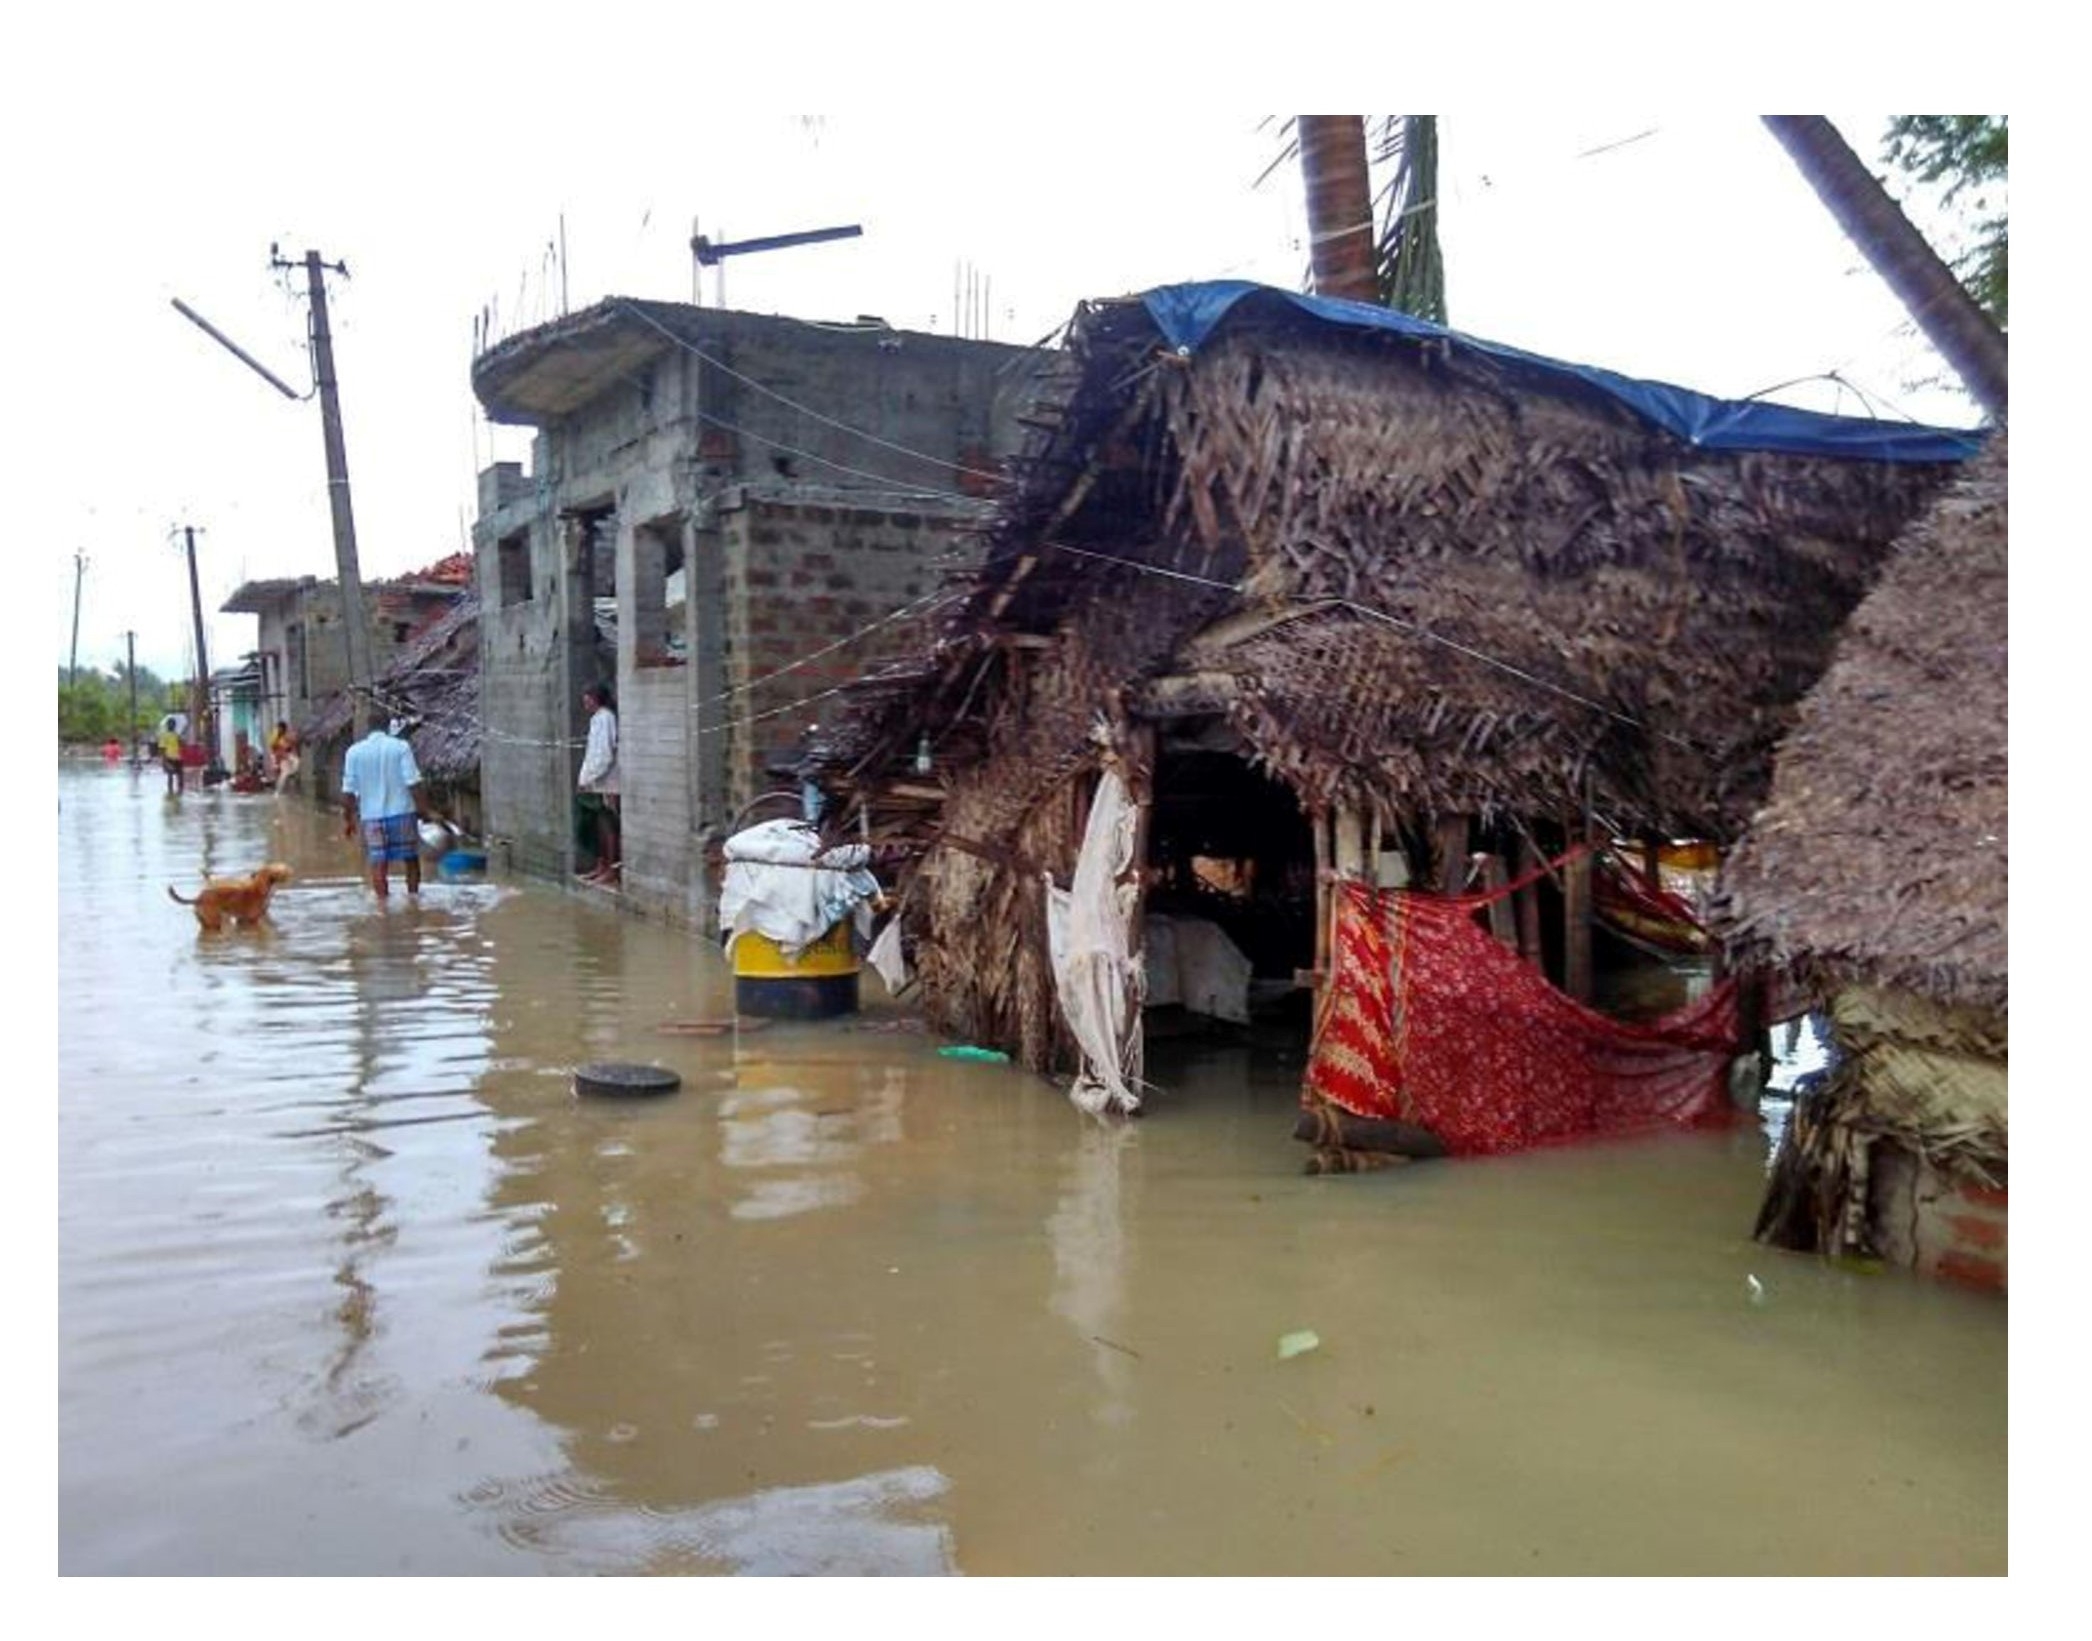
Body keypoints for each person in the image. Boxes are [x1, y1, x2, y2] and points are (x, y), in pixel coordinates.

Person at [342, 716, 436, 899]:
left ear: (367, 730)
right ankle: (413, 899)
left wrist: (348, 820)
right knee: (411, 860)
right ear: (387, 727)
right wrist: (425, 811)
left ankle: (382, 906)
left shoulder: (354, 752)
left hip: (371, 818)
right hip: (402, 813)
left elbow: (348, 791)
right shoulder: (401, 747)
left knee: (378, 863)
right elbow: (413, 782)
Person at [576, 682, 620, 885]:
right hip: (595, 780)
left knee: (606, 824)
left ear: (596, 699)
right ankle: (601, 865)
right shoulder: (597, 719)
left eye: (588, 700)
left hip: (605, 781)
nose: (585, 704)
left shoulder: (605, 718)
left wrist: (588, 778)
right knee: (596, 824)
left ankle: (611, 868)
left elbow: (604, 753)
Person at [269, 720, 302, 795]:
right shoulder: (276, 737)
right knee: (283, 775)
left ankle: (290, 777)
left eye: (280, 728)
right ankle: (278, 791)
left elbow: (293, 744)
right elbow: (273, 749)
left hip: (288, 756)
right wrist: (276, 761)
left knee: (295, 763)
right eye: (278, 728)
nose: (279, 729)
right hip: (282, 758)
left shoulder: (288, 736)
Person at [157, 718, 184, 795]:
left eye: (173, 724)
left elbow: (181, 745)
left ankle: (180, 792)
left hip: (178, 757)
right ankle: (170, 792)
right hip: (169, 757)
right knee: (170, 776)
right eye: (170, 724)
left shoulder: (176, 735)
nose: (172, 726)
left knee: (180, 776)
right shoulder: (164, 736)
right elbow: (162, 749)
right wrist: (164, 761)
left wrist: (180, 740)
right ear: (168, 726)